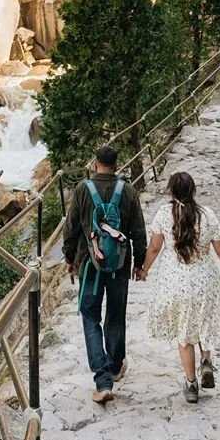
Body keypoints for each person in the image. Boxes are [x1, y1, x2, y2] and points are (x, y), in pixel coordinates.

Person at [136, 171, 220, 403]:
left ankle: (191, 383)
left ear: (171, 192)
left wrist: (144, 269)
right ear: (193, 190)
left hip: (175, 282)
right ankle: (206, 360)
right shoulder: (207, 215)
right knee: (204, 320)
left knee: (185, 333)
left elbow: (154, 247)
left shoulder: (164, 214)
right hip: (204, 279)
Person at [62, 143, 147, 404]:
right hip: (119, 264)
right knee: (116, 314)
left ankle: (102, 380)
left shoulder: (82, 190)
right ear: (116, 165)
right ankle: (115, 364)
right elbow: (138, 231)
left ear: (95, 164)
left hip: (90, 264)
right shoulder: (128, 191)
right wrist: (139, 262)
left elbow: (71, 228)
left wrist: (69, 258)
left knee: (90, 315)